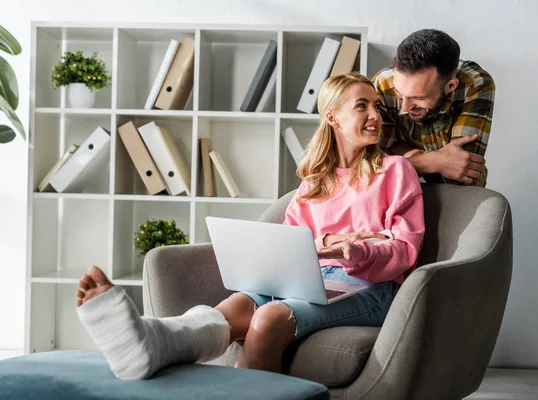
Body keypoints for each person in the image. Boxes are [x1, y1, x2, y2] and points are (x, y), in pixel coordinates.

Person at [75, 73, 425, 381]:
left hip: (370, 288)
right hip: (309, 282)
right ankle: (150, 344)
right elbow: (290, 244)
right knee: (233, 308)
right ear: (332, 117)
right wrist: (328, 242)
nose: (376, 116)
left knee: (270, 317)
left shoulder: (394, 171)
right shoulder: (313, 184)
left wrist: (355, 250)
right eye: (362, 106)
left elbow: (404, 252)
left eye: (376, 107)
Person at [373, 28, 496, 186]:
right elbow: (375, 165)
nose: (404, 105)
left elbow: (462, 168)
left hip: (456, 195)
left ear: (451, 86)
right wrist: (434, 161)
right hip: (397, 191)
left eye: (419, 97)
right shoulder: (383, 84)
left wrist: (404, 155)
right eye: (399, 93)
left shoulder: (475, 84)